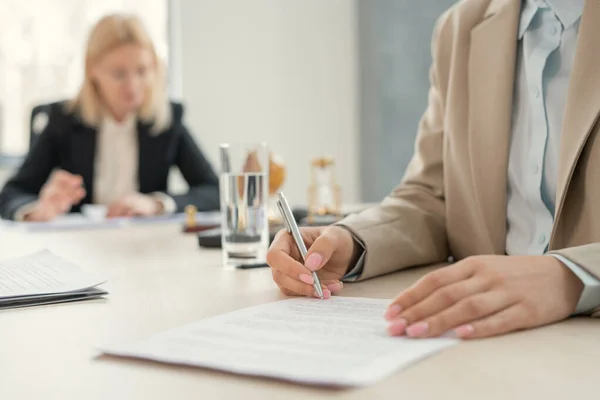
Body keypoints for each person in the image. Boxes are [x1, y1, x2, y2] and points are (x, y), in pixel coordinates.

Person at [267, 0, 600, 340]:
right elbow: (434, 195)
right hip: (479, 343)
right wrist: (352, 241)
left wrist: (570, 277)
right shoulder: (460, 27)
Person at [0, 14, 219, 221]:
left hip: (144, 245)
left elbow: (214, 190)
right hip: (80, 246)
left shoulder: (167, 119)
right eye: (119, 74)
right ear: (92, 70)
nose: (133, 86)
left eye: (142, 71)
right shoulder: (64, 120)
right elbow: (11, 194)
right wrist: (36, 210)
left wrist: (157, 204)